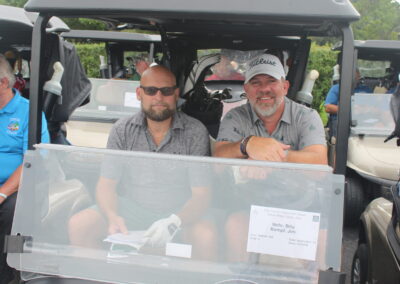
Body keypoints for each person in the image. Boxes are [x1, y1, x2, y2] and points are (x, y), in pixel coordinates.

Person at [68, 65, 217, 260]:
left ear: (176, 94)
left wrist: (174, 222)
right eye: (150, 90)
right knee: (79, 224)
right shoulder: (122, 129)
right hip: (132, 209)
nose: (158, 97)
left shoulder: (195, 131)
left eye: (166, 91)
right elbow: (106, 185)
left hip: (180, 212)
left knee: (206, 235)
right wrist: (112, 216)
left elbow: (201, 195)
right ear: (139, 93)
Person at [213, 53, 327, 262]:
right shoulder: (235, 117)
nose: (264, 89)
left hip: (299, 205)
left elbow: (319, 165)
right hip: (248, 204)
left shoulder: (306, 116)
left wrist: (271, 156)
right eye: (256, 83)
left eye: (271, 81)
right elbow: (218, 159)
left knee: (321, 241)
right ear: (246, 90)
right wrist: (248, 145)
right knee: (234, 226)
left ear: (285, 86)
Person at [0, 54, 49, 284]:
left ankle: (11, 274)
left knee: (12, 211)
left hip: (19, 188)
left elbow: (33, 159)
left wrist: (2, 193)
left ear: (3, 83)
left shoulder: (29, 112)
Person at [325, 68, 372, 139]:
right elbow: (328, 107)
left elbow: (373, 107)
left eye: (356, 76)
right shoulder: (337, 88)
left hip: (363, 120)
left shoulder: (366, 89)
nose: (355, 78)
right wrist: (351, 111)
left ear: (359, 76)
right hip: (342, 120)